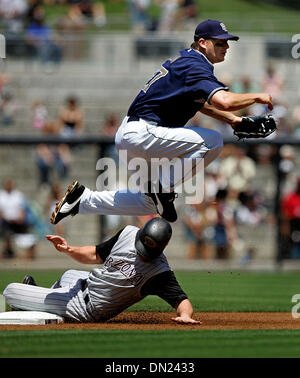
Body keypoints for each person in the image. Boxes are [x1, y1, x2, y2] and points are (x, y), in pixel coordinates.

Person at [51, 20, 273, 226]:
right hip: (144, 132)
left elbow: (199, 103)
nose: (226, 47)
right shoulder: (195, 65)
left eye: (227, 42)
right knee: (213, 141)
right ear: (203, 43)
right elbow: (223, 101)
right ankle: (163, 187)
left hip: (135, 135)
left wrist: (233, 120)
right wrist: (257, 96)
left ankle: (83, 200)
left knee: (148, 202)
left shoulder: (189, 62)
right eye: (220, 42)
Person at [3, 218, 201, 324]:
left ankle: (36, 300)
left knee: (11, 291)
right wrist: (69, 249)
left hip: (85, 309)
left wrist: (185, 315)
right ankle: (43, 299)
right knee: (67, 275)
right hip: (86, 283)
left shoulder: (159, 272)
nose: (142, 253)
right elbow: (96, 254)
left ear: (160, 249)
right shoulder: (128, 233)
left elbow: (182, 301)